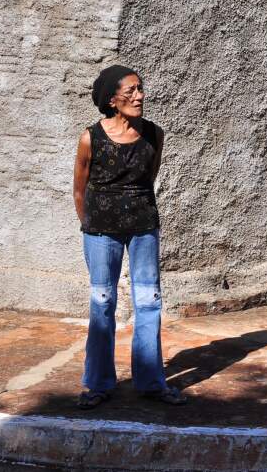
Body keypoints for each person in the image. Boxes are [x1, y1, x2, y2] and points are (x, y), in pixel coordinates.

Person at [72, 65, 186, 409]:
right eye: (131, 91)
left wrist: (137, 215)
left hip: (143, 228)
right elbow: (80, 190)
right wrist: (92, 225)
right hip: (100, 230)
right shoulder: (91, 137)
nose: (140, 96)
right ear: (112, 99)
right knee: (102, 302)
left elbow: (148, 178)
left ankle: (151, 382)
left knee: (149, 301)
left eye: (140, 89)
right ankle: (98, 384)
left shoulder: (154, 135)